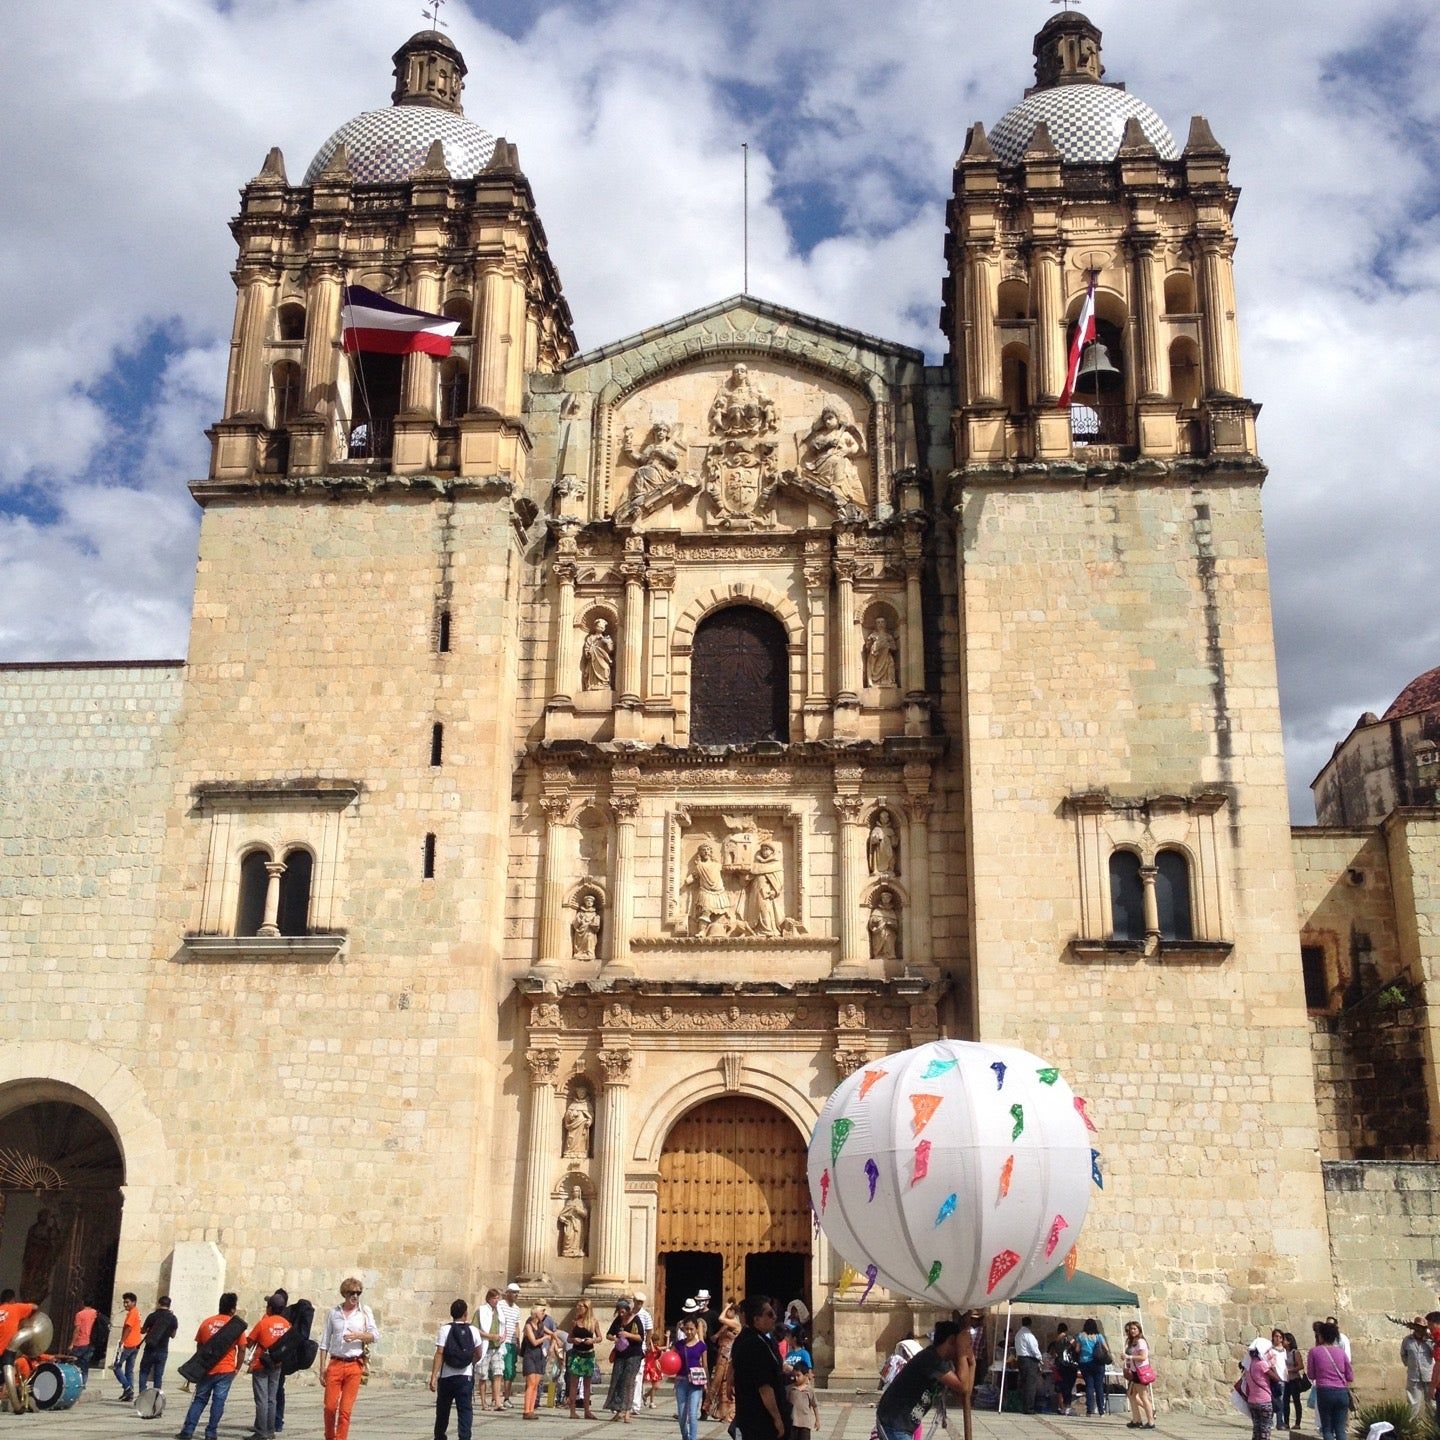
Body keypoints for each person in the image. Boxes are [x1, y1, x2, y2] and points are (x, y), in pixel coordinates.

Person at [876, 1320, 970, 1440]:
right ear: (951, 1340)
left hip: (900, 1425)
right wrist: (962, 1351)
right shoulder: (932, 1359)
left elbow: (963, 1393)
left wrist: (971, 1361)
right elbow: (963, 1386)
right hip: (895, 1424)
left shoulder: (940, 1361)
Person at [176, 1291, 246, 1440]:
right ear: (232, 1309)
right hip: (226, 1369)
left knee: (199, 1400)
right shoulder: (236, 1327)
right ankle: (211, 1433)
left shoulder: (207, 1322)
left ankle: (188, 1431)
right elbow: (242, 1349)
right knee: (218, 1402)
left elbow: (199, 1347)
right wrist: (237, 1368)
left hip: (207, 1369)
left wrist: (200, 1366)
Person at [317, 1277, 379, 1440]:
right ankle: (330, 1437)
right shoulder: (334, 1313)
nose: (355, 1296)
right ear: (344, 1293)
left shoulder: (364, 1312)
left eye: (358, 1293)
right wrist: (322, 1367)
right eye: (352, 1293)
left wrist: (358, 1336)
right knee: (330, 1407)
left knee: (345, 1410)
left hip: (354, 1364)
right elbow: (325, 1341)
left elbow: (375, 1335)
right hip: (335, 1363)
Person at [731, 1297, 790, 1440]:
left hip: (751, 1416)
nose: (775, 1317)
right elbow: (764, 1387)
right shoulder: (754, 1345)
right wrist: (777, 1418)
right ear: (756, 1319)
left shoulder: (760, 1340)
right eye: (769, 1314)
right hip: (760, 1420)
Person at [430, 1298, 483, 1440]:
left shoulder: (445, 1329)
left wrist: (434, 1377)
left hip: (447, 1376)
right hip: (465, 1377)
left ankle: (440, 1436)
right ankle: (464, 1437)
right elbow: (479, 1353)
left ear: (451, 1313)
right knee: (465, 1410)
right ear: (465, 1314)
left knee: (442, 1411)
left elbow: (440, 1353)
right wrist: (470, 1362)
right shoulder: (473, 1330)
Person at [246, 1292, 292, 1440]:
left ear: (270, 1308)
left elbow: (250, 1341)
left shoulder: (263, 1323)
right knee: (272, 1398)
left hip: (261, 1364)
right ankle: (271, 1431)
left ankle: (260, 1431)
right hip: (277, 1365)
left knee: (261, 1399)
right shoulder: (287, 1324)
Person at [1306, 1320, 1353, 1440]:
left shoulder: (1314, 1352)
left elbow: (1311, 1375)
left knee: (1327, 1430)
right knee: (1341, 1430)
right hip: (1342, 1393)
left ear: (1321, 1336)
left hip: (1325, 1391)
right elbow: (1350, 1376)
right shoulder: (1341, 1353)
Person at [604, 1298, 645, 1422]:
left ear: (628, 1310)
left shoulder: (635, 1320)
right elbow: (608, 1334)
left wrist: (628, 1335)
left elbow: (640, 1337)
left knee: (629, 1382)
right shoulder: (618, 1321)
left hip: (634, 1355)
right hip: (620, 1355)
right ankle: (618, 1410)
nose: (621, 1314)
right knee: (617, 1381)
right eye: (619, 1312)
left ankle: (627, 1411)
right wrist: (614, 1338)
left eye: (623, 1312)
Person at [673, 1313, 708, 1440]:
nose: (688, 1332)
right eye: (686, 1329)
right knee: (682, 1415)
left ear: (696, 1329)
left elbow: (705, 1366)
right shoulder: (679, 1345)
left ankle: (692, 1438)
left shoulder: (701, 1346)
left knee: (693, 1414)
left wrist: (707, 1384)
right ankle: (685, 1437)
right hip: (681, 1381)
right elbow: (671, 1360)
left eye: (691, 1329)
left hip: (696, 1383)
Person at [704, 1301, 739, 1424]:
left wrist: (727, 1307)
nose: (727, 1312)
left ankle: (730, 1414)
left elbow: (720, 1318)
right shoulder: (725, 1326)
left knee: (727, 1384)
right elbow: (715, 1337)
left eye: (730, 1310)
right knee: (720, 1385)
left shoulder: (735, 1323)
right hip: (722, 1353)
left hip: (728, 1356)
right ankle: (721, 1412)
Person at [138, 1295, 179, 1401]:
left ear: (159, 1303)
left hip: (150, 1348)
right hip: (162, 1350)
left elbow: (143, 1331)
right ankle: (156, 1399)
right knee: (158, 1375)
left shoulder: (152, 1316)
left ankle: (142, 1397)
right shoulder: (173, 1318)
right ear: (169, 1305)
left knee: (143, 1372)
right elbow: (173, 1335)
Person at [1238, 1342, 1277, 1440]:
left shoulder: (1248, 1366)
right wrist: (1273, 1365)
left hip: (1252, 1401)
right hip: (1264, 1401)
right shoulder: (1261, 1364)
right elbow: (1276, 1378)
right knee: (1265, 1430)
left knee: (1256, 1429)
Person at [567, 1300, 598, 1419]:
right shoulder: (575, 1322)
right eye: (578, 1305)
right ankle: (572, 1411)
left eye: (581, 1306)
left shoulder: (593, 1322)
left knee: (587, 1384)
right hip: (577, 1353)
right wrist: (574, 1340)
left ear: (587, 1308)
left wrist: (593, 1340)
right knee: (574, 1383)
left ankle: (587, 1411)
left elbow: (600, 1337)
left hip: (588, 1354)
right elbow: (569, 1338)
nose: (578, 1308)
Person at [473, 1287, 502, 1411]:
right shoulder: (481, 1311)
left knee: (498, 1373)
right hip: (485, 1346)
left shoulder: (499, 1311)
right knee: (483, 1375)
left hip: (497, 1347)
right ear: (488, 1298)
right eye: (494, 1298)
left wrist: (502, 1336)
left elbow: (503, 1326)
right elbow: (475, 1329)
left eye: (497, 1298)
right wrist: (490, 1336)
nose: (496, 1301)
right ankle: (484, 1402)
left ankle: (497, 1402)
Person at [1122, 1320, 1154, 1429]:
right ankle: (1136, 1420)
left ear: (1139, 1329)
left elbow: (1143, 1357)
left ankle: (1151, 1422)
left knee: (1143, 1397)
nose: (1132, 1331)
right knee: (1131, 1395)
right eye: (1131, 1329)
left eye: (1134, 1329)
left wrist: (1129, 1357)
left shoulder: (1141, 1341)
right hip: (1135, 1372)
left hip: (1140, 1372)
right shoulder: (1134, 1341)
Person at [1076, 1318, 1111, 1417]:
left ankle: (1089, 1410)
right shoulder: (1099, 1336)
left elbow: (1077, 1349)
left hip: (1085, 1363)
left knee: (1089, 1386)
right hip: (1098, 1363)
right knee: (1099, 1386)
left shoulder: (1081, 1336)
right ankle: (1101, 1411)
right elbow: (1106, 1349)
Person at [521, 1304, 551, 1418]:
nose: (543, 1314)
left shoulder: (541, 1325)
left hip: (539, 1355)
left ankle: (531, 1409)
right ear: (535, 1313)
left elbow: (552, 1333)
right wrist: (545, 1338)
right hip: (530, 1355)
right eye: (541, 1312)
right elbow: (533, 1342)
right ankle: (526, 1410)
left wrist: (554, 1341)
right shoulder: (528, 1325)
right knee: (530, 1383)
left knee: (536, 1384)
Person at [497, 1283, 523, 1408]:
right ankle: (496, 1397)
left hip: (511, 1342)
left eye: (517, 1293)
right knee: (498, 1369)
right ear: (507, 1293)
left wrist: (518, 1341)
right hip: (502, 1341)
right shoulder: (500, 1305)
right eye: (513, 1292)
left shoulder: (517, 1309)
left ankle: (506, 1397)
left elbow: (517, 1326)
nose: (516, 1295)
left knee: (510, 1370)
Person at [1401, 1319, 1433, 1421]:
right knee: (1413, 1403)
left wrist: (1429, 1339)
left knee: (1432, 1403)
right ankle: (1412, 1428)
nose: (1420, 1330)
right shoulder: (1407, 1340)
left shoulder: (1430, 1340)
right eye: (1418, 1328)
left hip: (1429, 1375)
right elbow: (1403, 1354)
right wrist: (1410, 1365)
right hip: (1413, 1376)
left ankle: (1432, 1427)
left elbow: (1436, 1353)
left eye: (1422, 1328)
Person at [114, 1289, 142, 1401]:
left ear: (133, 1302)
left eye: (127, 1302)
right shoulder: (136, 1312)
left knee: (116, 1366)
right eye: (124, 1302)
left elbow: (129, 1327)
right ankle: (129, 1394)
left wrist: (122, 1340)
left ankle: (127, 1387)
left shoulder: (132, 1313)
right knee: (129, 1369)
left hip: (129, 1343)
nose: (125, 1304)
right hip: (136, 1343)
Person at [1048, 1323, 1079, 1417]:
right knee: (1069, 1386)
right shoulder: (1068, 1337)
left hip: (1061, 1365)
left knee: (1064, 1386)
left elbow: (1054, 1353)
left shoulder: (1056, 1341)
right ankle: (1068, 1407)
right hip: (1070, 1365)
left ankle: (1064, 1407)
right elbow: (1076, 1347)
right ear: (1065, 1330)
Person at [1014, 1315, 1042, 1414]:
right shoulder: (1028, 1335)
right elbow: (1034, 1349)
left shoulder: (1018, 1334)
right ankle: (1029, 1408)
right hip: (1029, 1360)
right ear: (1030, 1324)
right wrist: (1039, 1358)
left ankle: (1024, 1406)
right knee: (1030, 1384)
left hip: (1021, 1359)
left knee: (1024, 1383)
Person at [1279, 1333, 1306, 1431]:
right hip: (1286, 1380)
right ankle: (1286, 1423)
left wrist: (1289, 1370)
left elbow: (1301, 1366)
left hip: (1294, 1380)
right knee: (1285, 1401)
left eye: (1284, 1339)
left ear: (1289, 1341)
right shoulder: (1282, 1352)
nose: (1282, 1341)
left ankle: (1297, 1423)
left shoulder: (1295, 1352)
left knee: (1296, 1401)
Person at [788, 1358, 820, 1440]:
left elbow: (815, 1405)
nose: (796, 1378)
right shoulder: (790, 1389)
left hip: (805, 1423)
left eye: (798, 1375)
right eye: (794, 1375)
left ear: (805, 1376)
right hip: (793, 1422)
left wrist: (817, 1420)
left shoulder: (809, 1390)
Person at [71, 1298, 100, 1383]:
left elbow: (77, 1329)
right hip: (91, 1342)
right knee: (85, 1365)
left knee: (73, 1363)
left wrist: (72, 1343)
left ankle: (74, 1381)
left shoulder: (79, 1314)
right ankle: (83, 1383)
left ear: (83, 1302)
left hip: (80, 1342)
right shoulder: (95, 1313)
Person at [1267, 1327, 1288, 1430]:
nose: (1278, 1338)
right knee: (1273, 1400)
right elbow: (1271, 1364)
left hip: (1283, 1378)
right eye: (1276, 1336)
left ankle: (1280, 1422)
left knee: (1281, 1401)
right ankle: (1270, 1422)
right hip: (1275, 1378)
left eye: (1280, 1337)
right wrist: (1275, 1375)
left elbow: (1285, 1364)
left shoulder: (1284, 1350)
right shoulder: (1270, 1350)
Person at [643, 1328, 665, 1409]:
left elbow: (666, 1347)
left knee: (656, 1386)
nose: (656, 1343)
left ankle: (645, 1396)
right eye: (655, 1341)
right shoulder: (648, 1348)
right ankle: (651, 1402)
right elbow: (652, 1350)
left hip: (655, 1368)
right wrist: (650, 1340)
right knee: (655, 1386)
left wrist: (668, 1337)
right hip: (650, 1367)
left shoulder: (657, 1347)